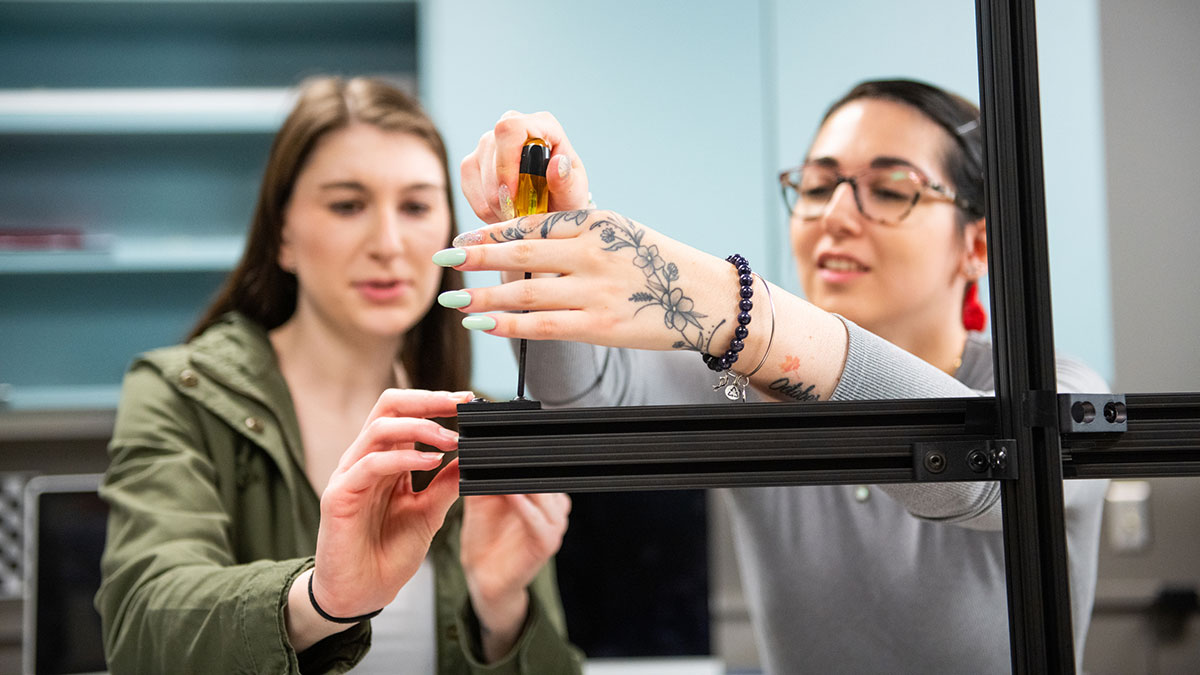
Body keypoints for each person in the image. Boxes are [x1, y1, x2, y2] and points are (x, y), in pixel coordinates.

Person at [440, 80, 1108, 672]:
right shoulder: (741, 385)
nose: (835, 216)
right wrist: (551, 230)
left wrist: (734, 308)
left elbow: (972, 472)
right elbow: (584, 394)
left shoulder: (1055, 389)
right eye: (816, 186)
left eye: (890, 189)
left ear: (976, 245)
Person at [95, 76, 583, 674]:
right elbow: (141, 629)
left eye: (416, 206)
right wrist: (322, 601)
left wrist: (501, 609)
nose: (388, 243)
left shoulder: (483, 426)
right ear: (284, 236)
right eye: (347, 205)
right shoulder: (181, 395)